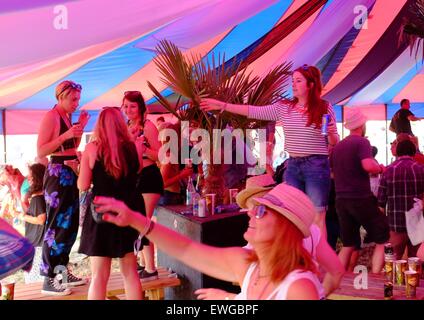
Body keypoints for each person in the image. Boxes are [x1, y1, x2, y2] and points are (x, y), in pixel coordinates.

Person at [93, 183, 325, 300]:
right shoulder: (249, 265)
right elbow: (186, 249)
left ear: (285, 228)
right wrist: (135, 220)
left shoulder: (299, 288)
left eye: (262, 211)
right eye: (252, 209)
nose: (249, 214)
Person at [200, 65, 339, 235]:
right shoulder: (284, 108)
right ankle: (297, 256)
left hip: (317, 164)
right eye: (292, 81)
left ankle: (317, 260)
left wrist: (331, 132)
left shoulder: (325, 108)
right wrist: (223, 106)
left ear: (311, 84)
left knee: (318, 216)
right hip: (293, 165)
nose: (293, 85)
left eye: (298, 81)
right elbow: (252, 111)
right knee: (291, 214)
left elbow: (334, 143)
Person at [196, 174, 344, 300]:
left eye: (260, 208)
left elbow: (254, 292)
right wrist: (319, 294)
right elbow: (336, 272)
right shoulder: (309, 228)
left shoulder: (259, 239)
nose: (251, 213)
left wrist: (227, 297)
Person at [77, 107, 145, 300]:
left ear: (99, 125)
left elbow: (82, 185)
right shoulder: (133, 147)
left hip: (102, 213)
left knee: (99, 276)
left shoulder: (92, 148)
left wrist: (81, 166)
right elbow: (137, 172)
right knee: (130, 273)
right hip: (129, 212)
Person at [37, 80, 89, 295]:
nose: (77, 103)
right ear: (61, 97)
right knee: (56, 227)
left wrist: (80, 127)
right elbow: (42, 150)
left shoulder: (66, 117)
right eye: (73, 99)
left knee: (69, 227)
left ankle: (61, 272)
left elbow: (70, 147)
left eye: (78, 99)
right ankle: (49, 279)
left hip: (68, 172)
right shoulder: (51, 116)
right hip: (58, 174)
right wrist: (66, 134)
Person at [330, 108, 389, 274]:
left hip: (341, 200)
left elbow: (332, 173)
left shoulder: (338, 146)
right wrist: (380, 168)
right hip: (360, 197)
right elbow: (368, 165)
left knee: (348, 244)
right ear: (361, 125)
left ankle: (337, 280)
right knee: (382, 239)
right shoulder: (362, 142)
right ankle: (377, 276)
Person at [121, 91, 164, 280]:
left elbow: (160, 156)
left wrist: (144, 149)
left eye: (132, 106)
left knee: (144, 222)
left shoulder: (148, 126)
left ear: (140, 108)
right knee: (136, 222)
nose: (128, 110)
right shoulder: (125, 127)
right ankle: (143, 264)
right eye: (125, 106)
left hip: (149, 176)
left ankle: (151, 268)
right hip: (133, 179)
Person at [377, 139, 424, 259]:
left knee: (393, 260)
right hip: (417, 222)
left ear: (397, 152)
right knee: (416, 260)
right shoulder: (421, 169)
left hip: (395, 224)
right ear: (413, 152)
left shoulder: (388, 170)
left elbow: (381, 202)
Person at [19, 163, 47, 283]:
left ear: (37, 177)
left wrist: (23, 217)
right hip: (41, 242)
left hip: (37, 244)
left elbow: (41, 219)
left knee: (35, 281)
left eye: (31, 176)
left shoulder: (37, 198)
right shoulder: (44, 195)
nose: (28, 179)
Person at [157, 122, 193, 205]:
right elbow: (162, 183)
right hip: (168, 196)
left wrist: (182, 173)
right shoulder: (169, 155)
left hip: (168, 195)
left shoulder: (167, 153)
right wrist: (181, 175)